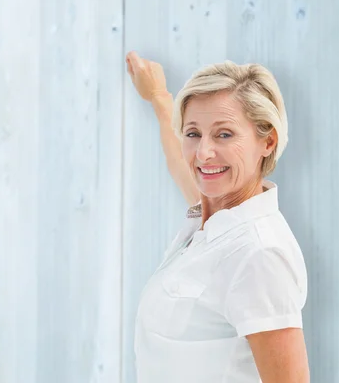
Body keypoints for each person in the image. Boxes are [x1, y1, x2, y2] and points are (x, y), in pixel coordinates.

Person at [126, 51, 310, 383]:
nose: (203, 152)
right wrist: (157, 96)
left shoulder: (260, 254)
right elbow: (183, 166)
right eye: (193, 133)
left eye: (224, 134)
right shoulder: (214, 217)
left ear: (267, 141)